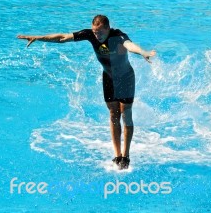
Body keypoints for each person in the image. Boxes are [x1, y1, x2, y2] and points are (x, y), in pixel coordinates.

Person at [17, 15, 156, 170]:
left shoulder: (118, 35)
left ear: (108, 29)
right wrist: (38, 38)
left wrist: (143, 52)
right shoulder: (90, 34)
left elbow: (130, 45)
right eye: (95, 32)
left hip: (125, 78)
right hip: (109, 78)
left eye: (100, 33)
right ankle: (117, 155)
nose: (97, 36)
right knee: (113, 114)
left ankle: (126, 156)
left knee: (125, 114)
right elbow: (63, 37)